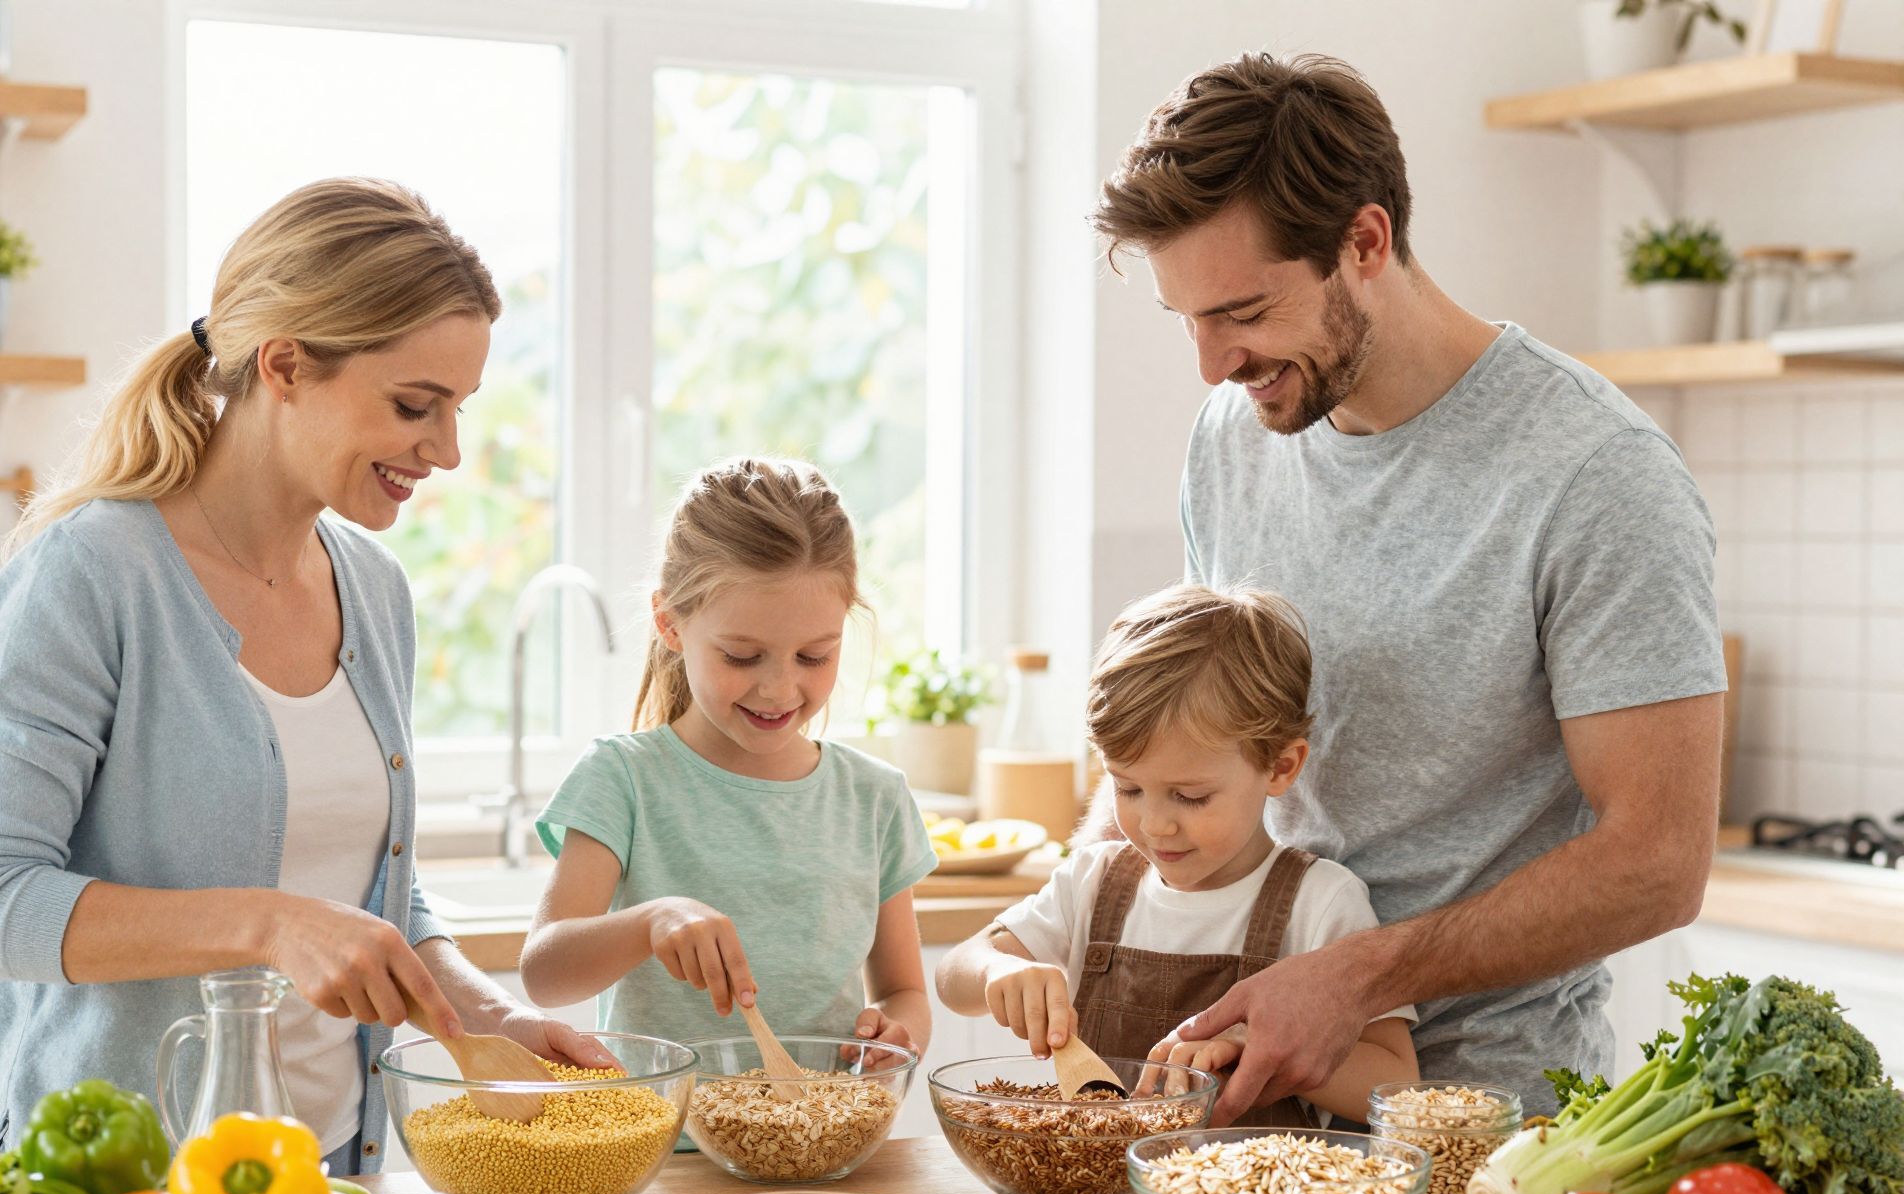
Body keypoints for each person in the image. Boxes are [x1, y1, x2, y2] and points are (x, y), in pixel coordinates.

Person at [0, 178, 614, 1175]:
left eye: (456, 409)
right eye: (415, 406)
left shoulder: (372, 592)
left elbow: (371, 896)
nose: (448, 450)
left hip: (330, 1175)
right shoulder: (94, 574)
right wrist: (266, 923)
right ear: (284, 365)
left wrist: (488, 1014)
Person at [1088, 54, 1725, 1122]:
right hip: (1247, 1099)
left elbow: (1659, 862)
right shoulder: (1232, 437)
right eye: (1184, 319)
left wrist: (1354, 978)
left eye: (1241, 309)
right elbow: (1198, 734)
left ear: (1365, 243)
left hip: (1483, 1125)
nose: (1210, 366)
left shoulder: (1593, 474)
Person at [936, 584, 1417, 1125]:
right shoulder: (1094, 883)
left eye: (1190, 796)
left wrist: (1264, 1042)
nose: (1153, 823)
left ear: (1280, 767)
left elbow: (1399, 1089)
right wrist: (996, 970)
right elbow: (955, 976)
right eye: (1128, 788)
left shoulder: (1322, 903)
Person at [521, 457, 935, 1055]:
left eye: (814, 656)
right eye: (742, 656)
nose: (778, 688)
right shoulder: (626, 779)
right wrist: (648, 922)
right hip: (662, 1143)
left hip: (822, 1142)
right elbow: (543, 974)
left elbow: (905, 993)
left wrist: (898, 1035)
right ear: (670, 623)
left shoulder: (873, 797)